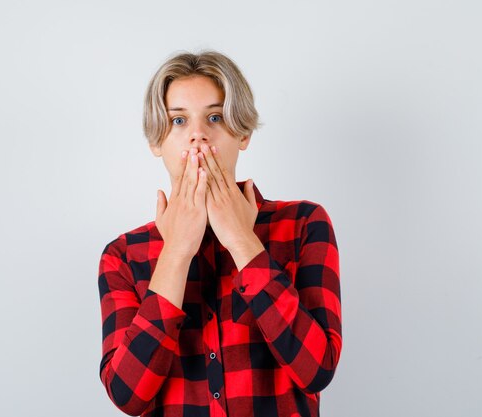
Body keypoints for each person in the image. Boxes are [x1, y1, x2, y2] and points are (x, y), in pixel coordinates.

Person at [97, 51, 342, 417]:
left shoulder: (303, 223)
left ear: (241, 132)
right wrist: (176, 252)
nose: (198, 134)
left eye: (214, 117)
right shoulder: (124, 255)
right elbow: (127, 394)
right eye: (178, 120)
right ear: (156, 142)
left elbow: (316, 369)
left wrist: (243, 241)